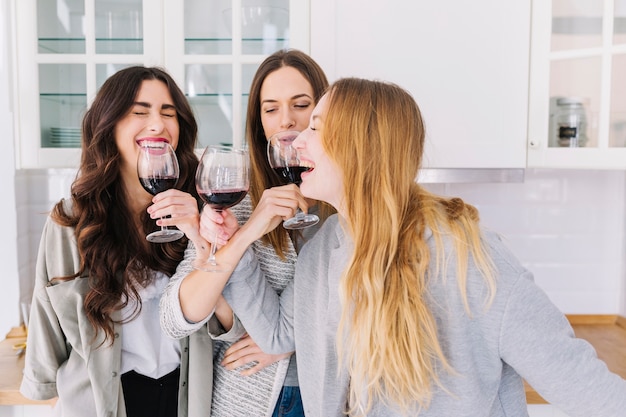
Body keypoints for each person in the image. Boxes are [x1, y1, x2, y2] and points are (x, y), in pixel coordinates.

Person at [192, 77, 626, 417]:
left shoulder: (468, 256)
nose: (296, 141)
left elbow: (579, 381)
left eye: (316, 128)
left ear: (361, 147)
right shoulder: (324, 249)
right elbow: (278, 333)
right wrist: (236, 243)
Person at [20, 66, 215, 417]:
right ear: (108, 126)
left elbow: (223, 325)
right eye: (139, 112)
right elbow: (46, 329)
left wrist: (199, 234)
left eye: (168, 113)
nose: (157, 124)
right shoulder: (70, 221)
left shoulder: (198, 213)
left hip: (184, 399)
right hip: (102, 402)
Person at [159, 49, 334, 417]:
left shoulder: (346, 199)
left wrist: (291, 340)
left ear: (325, 110)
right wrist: (245, 234)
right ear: (259, 122)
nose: (286, 121)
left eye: (301, 105)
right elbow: (175, 318)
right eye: (270, 109)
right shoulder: (237, 198)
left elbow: (374, 311)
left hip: (334, 396)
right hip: (249, 399)